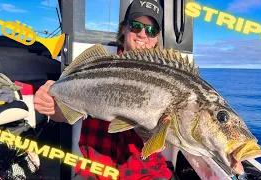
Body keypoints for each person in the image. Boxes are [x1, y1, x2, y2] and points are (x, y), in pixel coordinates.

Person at [34, 0, 172, 179]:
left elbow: (162, 141)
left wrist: (159, 134)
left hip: (144, 171)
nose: (143, 35)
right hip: (96, 170)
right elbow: (63, 113)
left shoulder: (165, 80)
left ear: (156, 39)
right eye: (136, 26)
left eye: (151, 30)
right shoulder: (97, 66)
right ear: (124, 28)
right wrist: (49, 104)